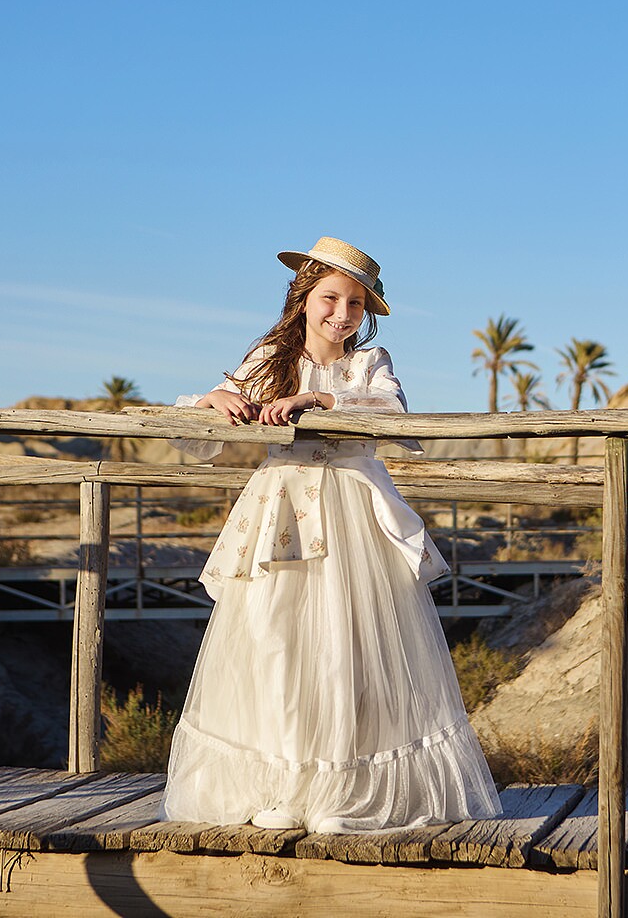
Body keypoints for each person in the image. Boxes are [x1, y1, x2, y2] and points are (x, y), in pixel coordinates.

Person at [162, 236, 500, 834]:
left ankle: (340, 793)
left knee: (350, 649)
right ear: (304, 296)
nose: (342, 315)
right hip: (282, 513)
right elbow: (204, 428)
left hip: (352, 514)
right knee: (278, 643)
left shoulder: (369, 364)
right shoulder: (271, 356)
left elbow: (392, 414)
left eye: (355, 304)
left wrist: (317, 399)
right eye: (330, 298)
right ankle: (283, 788)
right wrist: (215, 399)